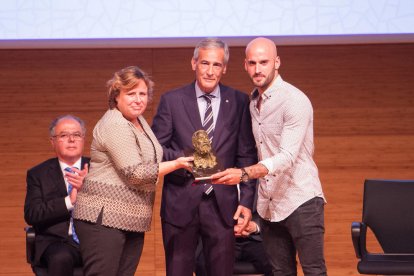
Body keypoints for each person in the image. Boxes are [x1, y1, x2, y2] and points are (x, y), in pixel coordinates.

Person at [211, 37, 327, 275]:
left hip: (301, 199)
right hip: (269, 205)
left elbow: (287, 157)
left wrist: (244, 174)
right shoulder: (253, 102)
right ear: (245, 65)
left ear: (277, 62)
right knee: (280, 272)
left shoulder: (294, 100)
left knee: (314, 271)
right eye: (252, 63)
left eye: (263, 62)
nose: (257, 69)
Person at [151, 37, 258, 276]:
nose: (210, 71)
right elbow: (155, 148)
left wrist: (246, 202)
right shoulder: (172, 100)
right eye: (205, 63)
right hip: (180, 202)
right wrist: (183, 160)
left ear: (225, 68)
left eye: (216, 65)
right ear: (193, 63)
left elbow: (246, 155)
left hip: (223, 206)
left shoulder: (240, 101)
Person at [72, 66, 193, 276]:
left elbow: (155, 156)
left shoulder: (139, 121)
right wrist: (178, 164)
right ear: (116, 96)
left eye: (143, 94)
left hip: (131, 219)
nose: (138, 99)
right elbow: (135, 173)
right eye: (131, 93)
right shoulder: (114, 123)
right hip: (103, 218)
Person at [24, 114, 89, 276]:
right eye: (64, 135)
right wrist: (69, 201)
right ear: (52, 141)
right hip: (55, 242)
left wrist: (89, 191)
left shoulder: (99, 169)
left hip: (93, 239)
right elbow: (32, 214)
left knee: (109, 255)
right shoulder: (38, 174)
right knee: (61, 257)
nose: (71, 140)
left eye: (76, 135)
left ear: (83, 139)